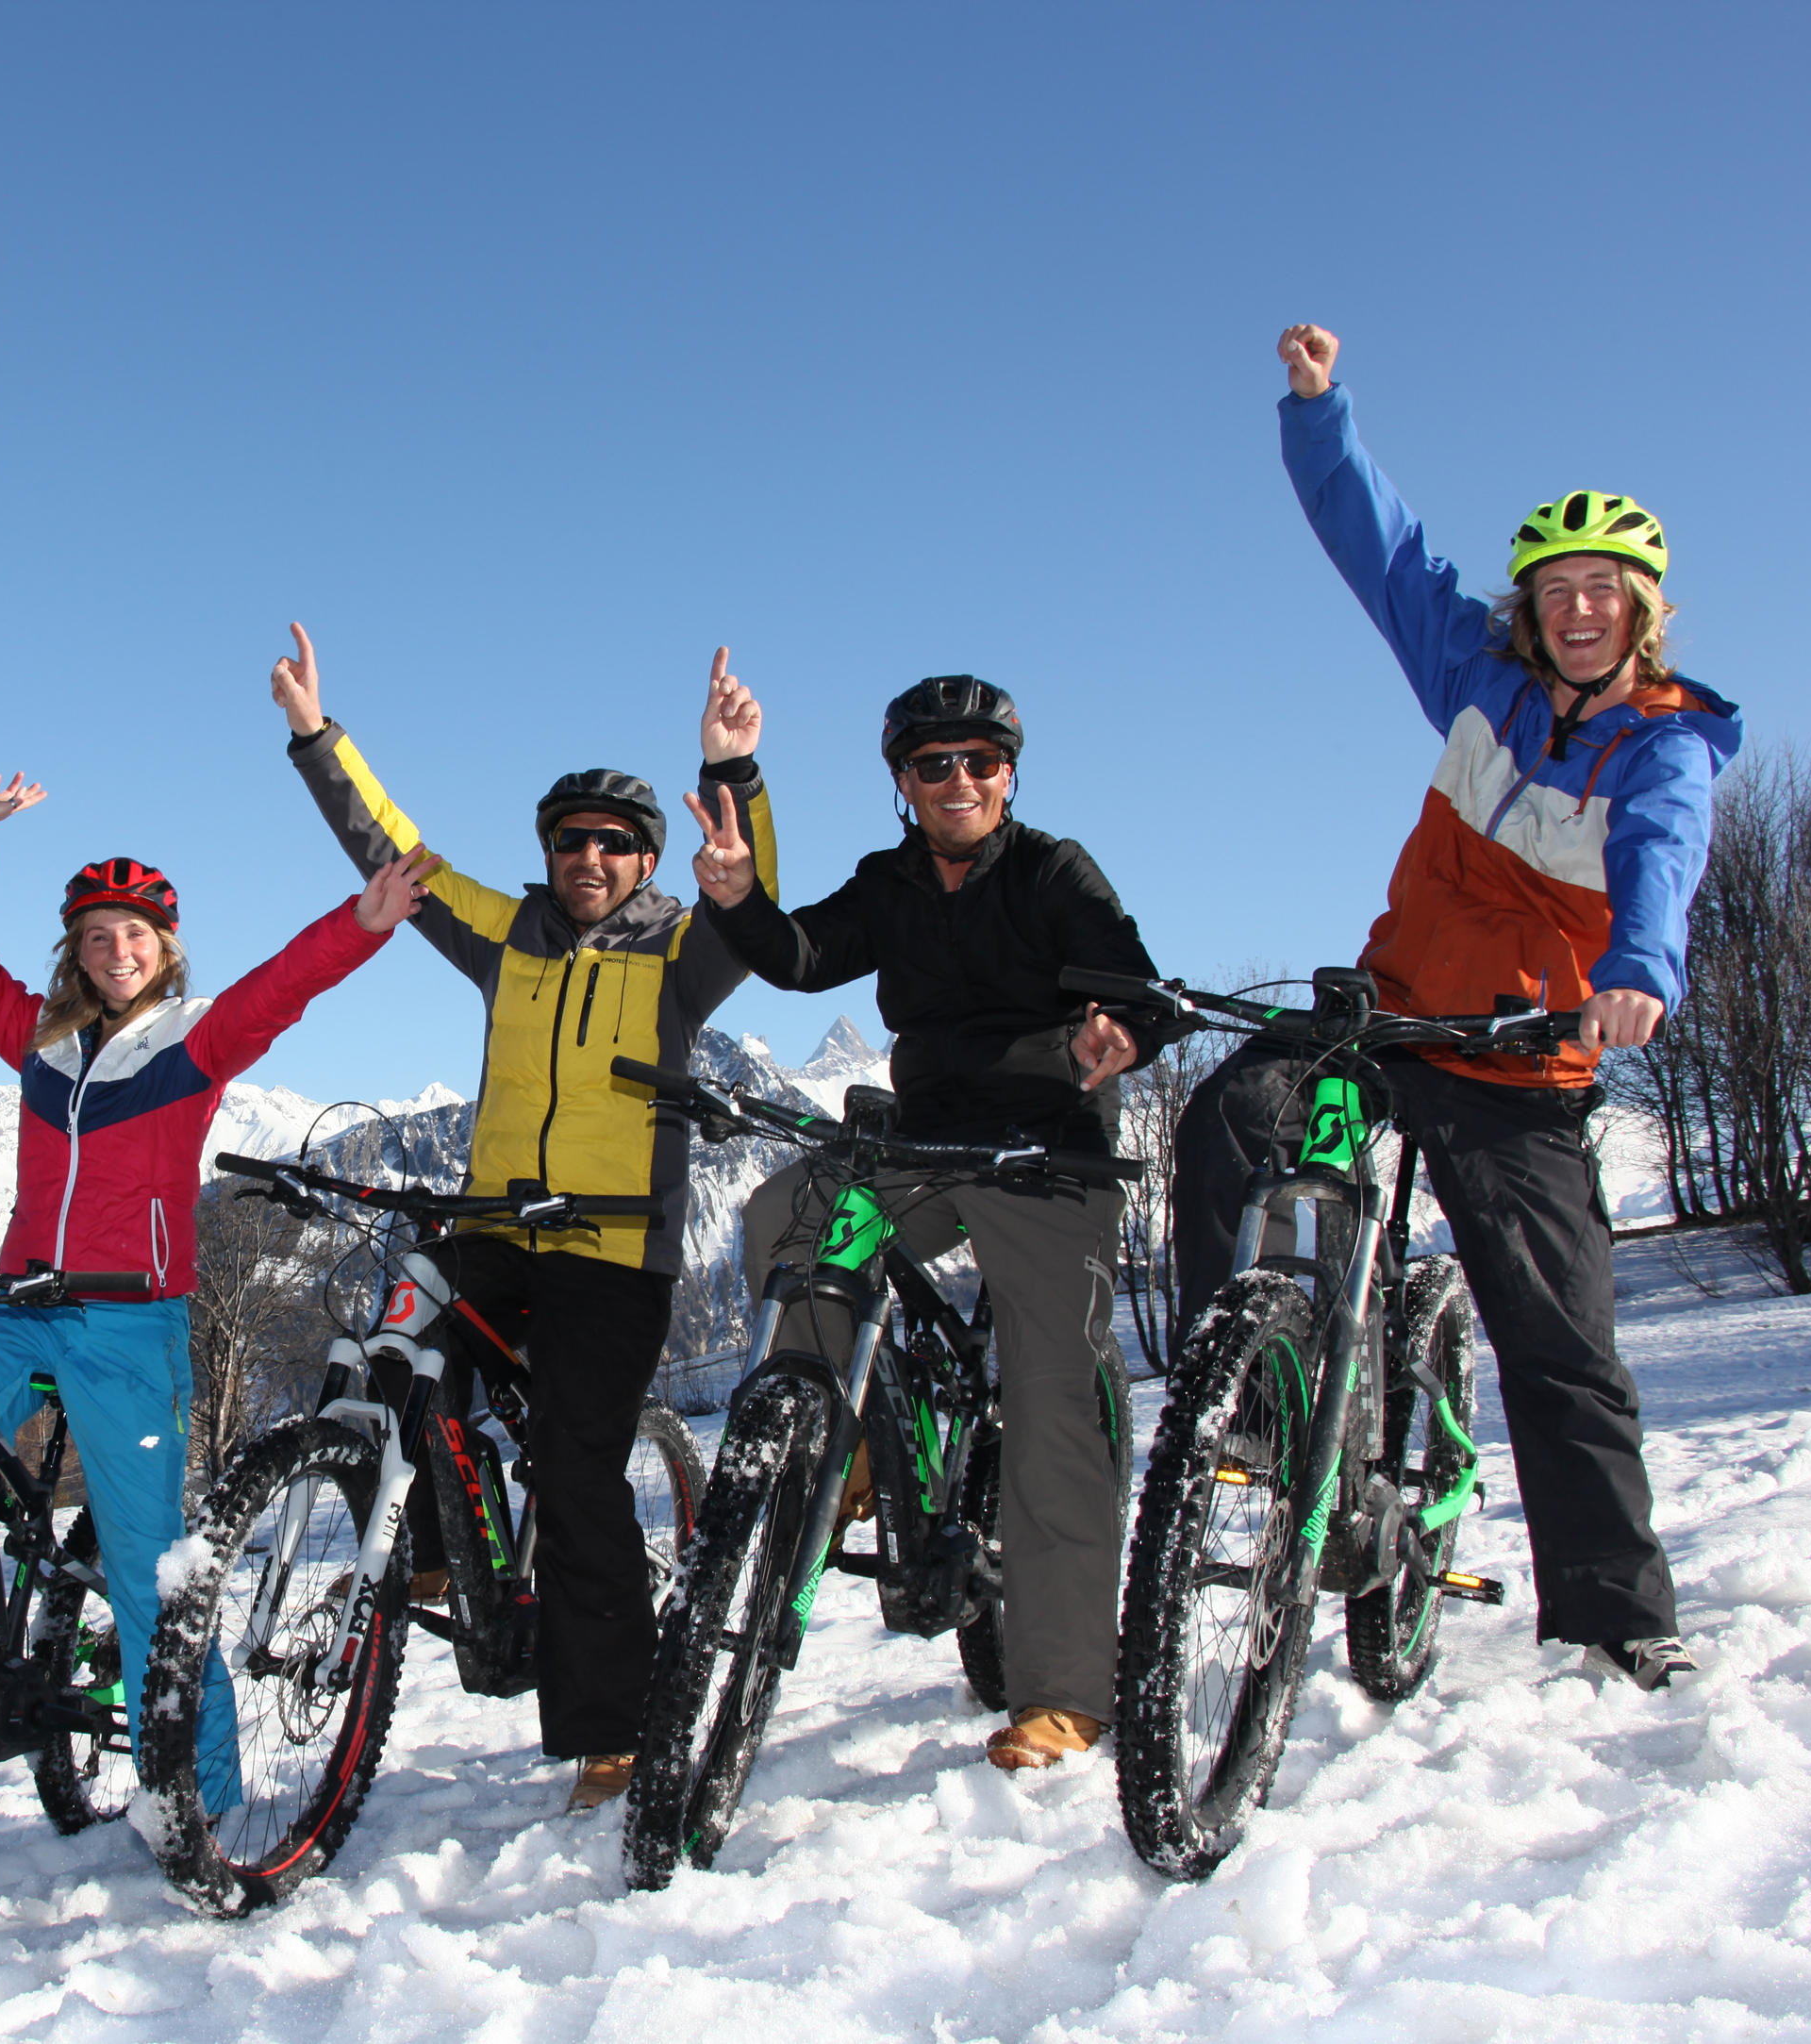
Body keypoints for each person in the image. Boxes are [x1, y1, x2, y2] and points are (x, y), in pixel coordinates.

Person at [1170, 324, 1741, 1694]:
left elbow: (1659, 860)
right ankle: (1249, 1397)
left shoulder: (1660, 745)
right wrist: (1319, 413)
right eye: (1557, 587)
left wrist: (1639, 974)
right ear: (1530, 606)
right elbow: (1383, 551)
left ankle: (1612, 1603)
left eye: (1606, 589)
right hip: (1392, 1012)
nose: (1579, 607)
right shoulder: (1478, 681)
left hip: (1518, 1057)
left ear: (1644, 611)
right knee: (1222, 1117)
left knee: (1557, 1341)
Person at [275, 623, 773, 1812]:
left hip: (614, 1248)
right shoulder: (508, 935)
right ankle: (439, 1551)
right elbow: (400, 856)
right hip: (500, 1226)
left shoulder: (683, 954)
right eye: (569, 840)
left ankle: (614, 1727)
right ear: (546, 852)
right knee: (388, 1338)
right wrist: (315, 738)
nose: (588, 857)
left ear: (646, 860)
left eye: (612, 844)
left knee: (575, 1461)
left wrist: (735, 779)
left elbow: (747, 896)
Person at [0, 772, 430, 1798]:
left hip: (130, 1322)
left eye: (134, 935)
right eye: (97, 936)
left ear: (165, 946)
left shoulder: (194, 1039)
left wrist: (359, 925)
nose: (117, 952)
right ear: (74, 952)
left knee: (153, 1576)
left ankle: (203, 1796)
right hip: (22, 1306)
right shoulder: (40, 1042)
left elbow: (283, 985)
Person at [692, 674, 1182, 1770]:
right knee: (789, 1217)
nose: (958, 780)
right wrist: (734, 888)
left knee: (1053, 1400)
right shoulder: (891, 881)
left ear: (1008, 775)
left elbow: (1136, 982)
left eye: (980, 762)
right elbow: (798, 954)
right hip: (922, 1143)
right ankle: (847, 1432)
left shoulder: (1054, 871)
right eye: (932, 764)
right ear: (901, 784)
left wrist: (1120, 1036)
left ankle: (1062, 1691)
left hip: (1045, 1153)